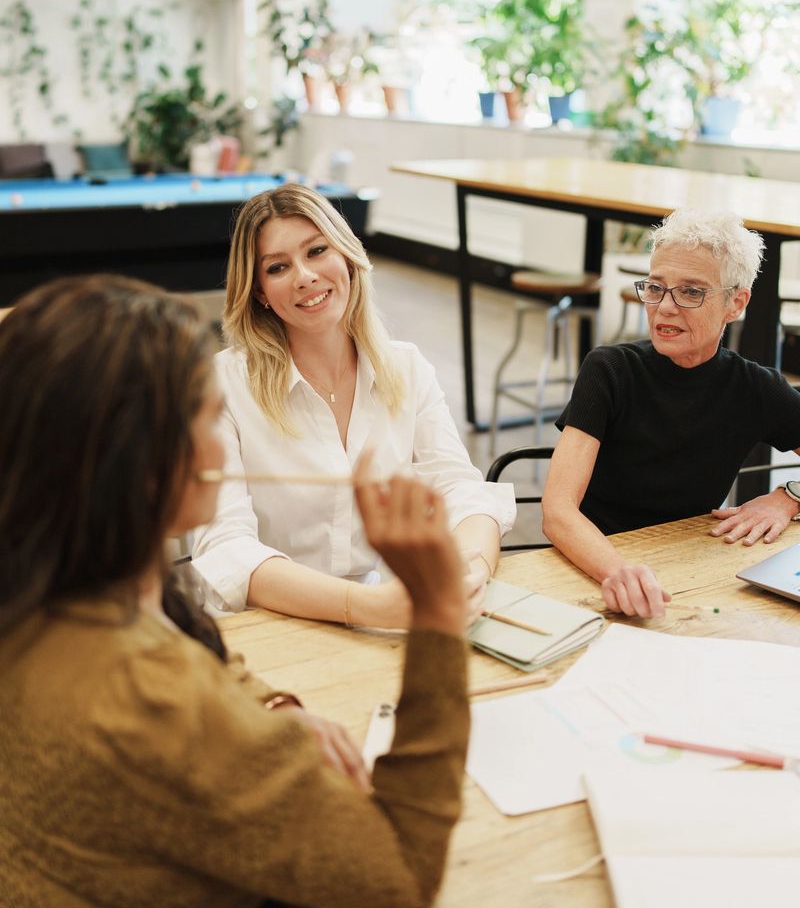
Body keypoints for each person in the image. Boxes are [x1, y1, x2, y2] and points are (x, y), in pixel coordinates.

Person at [0, 275, 470, 908]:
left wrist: (270, 706)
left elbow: (186, 643)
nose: (224, 442)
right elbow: (398, 881)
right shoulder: (154, 698)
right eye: (205, 415)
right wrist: (436, 613)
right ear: (142, 464)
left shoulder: (61, 584)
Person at [191, 184, 515, 626]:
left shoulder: (407, 368)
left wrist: (470, 572)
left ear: (346, 254)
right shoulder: (220, 385)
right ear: (261, 292)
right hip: (263, 622)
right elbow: (226, 546)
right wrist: (366, 606)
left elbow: (461, 491)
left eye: (317, 250)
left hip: (379, 617)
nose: (304, 276)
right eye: (278, 266)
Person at [542, 208, 800, 621]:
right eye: (656, 287)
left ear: (736, 303)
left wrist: (786, 498)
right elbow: (557, 511)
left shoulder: (755, 388)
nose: (664, 308)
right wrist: (618, 570)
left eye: (691, 292)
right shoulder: (609, 369)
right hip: (592, 561)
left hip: (688, 564)